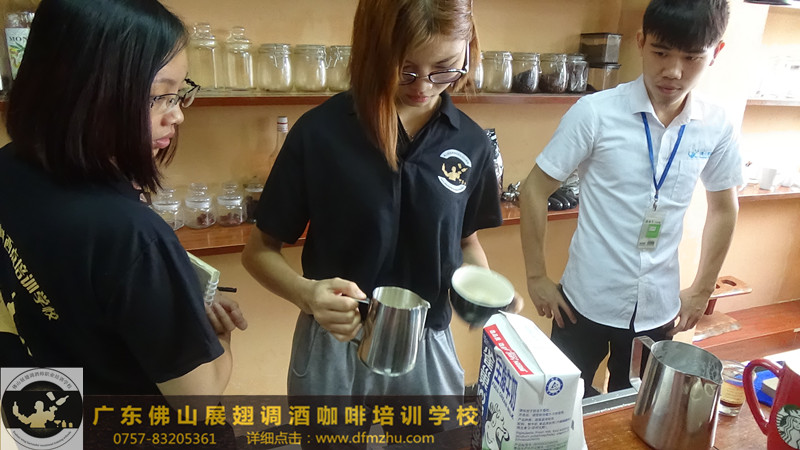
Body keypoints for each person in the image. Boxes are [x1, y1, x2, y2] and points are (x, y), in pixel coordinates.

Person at [242, 0, 521, 398]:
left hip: (427, 345)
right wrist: (306, 295)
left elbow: (465, 242)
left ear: (468, 49)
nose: (423, 87)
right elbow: (258, 251)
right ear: (372, 53)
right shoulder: (320, 133)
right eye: (405, 69)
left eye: (444, 68)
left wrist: (484, 292)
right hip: (335, 342)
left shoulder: (472, 143)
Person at [0, 0, 247, 397]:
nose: (177, 115)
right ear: (85, 94)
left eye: (179, 93)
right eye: (159, 96)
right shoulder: (129, 233)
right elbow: (198, 398)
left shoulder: (11, 164)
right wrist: (217, 336)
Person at [520, 0, 741, 397]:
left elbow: (724, 208)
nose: (673, 71)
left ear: (717, 53)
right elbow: (534, 189)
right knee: (560, 405)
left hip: (659, 308)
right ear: (641, 42)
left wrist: (702, 288)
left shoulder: (716, 125)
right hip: (583, 301)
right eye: (661, 52)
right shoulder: (595, 113)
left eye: (692, 57)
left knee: (639, 409)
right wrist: (536, 277)